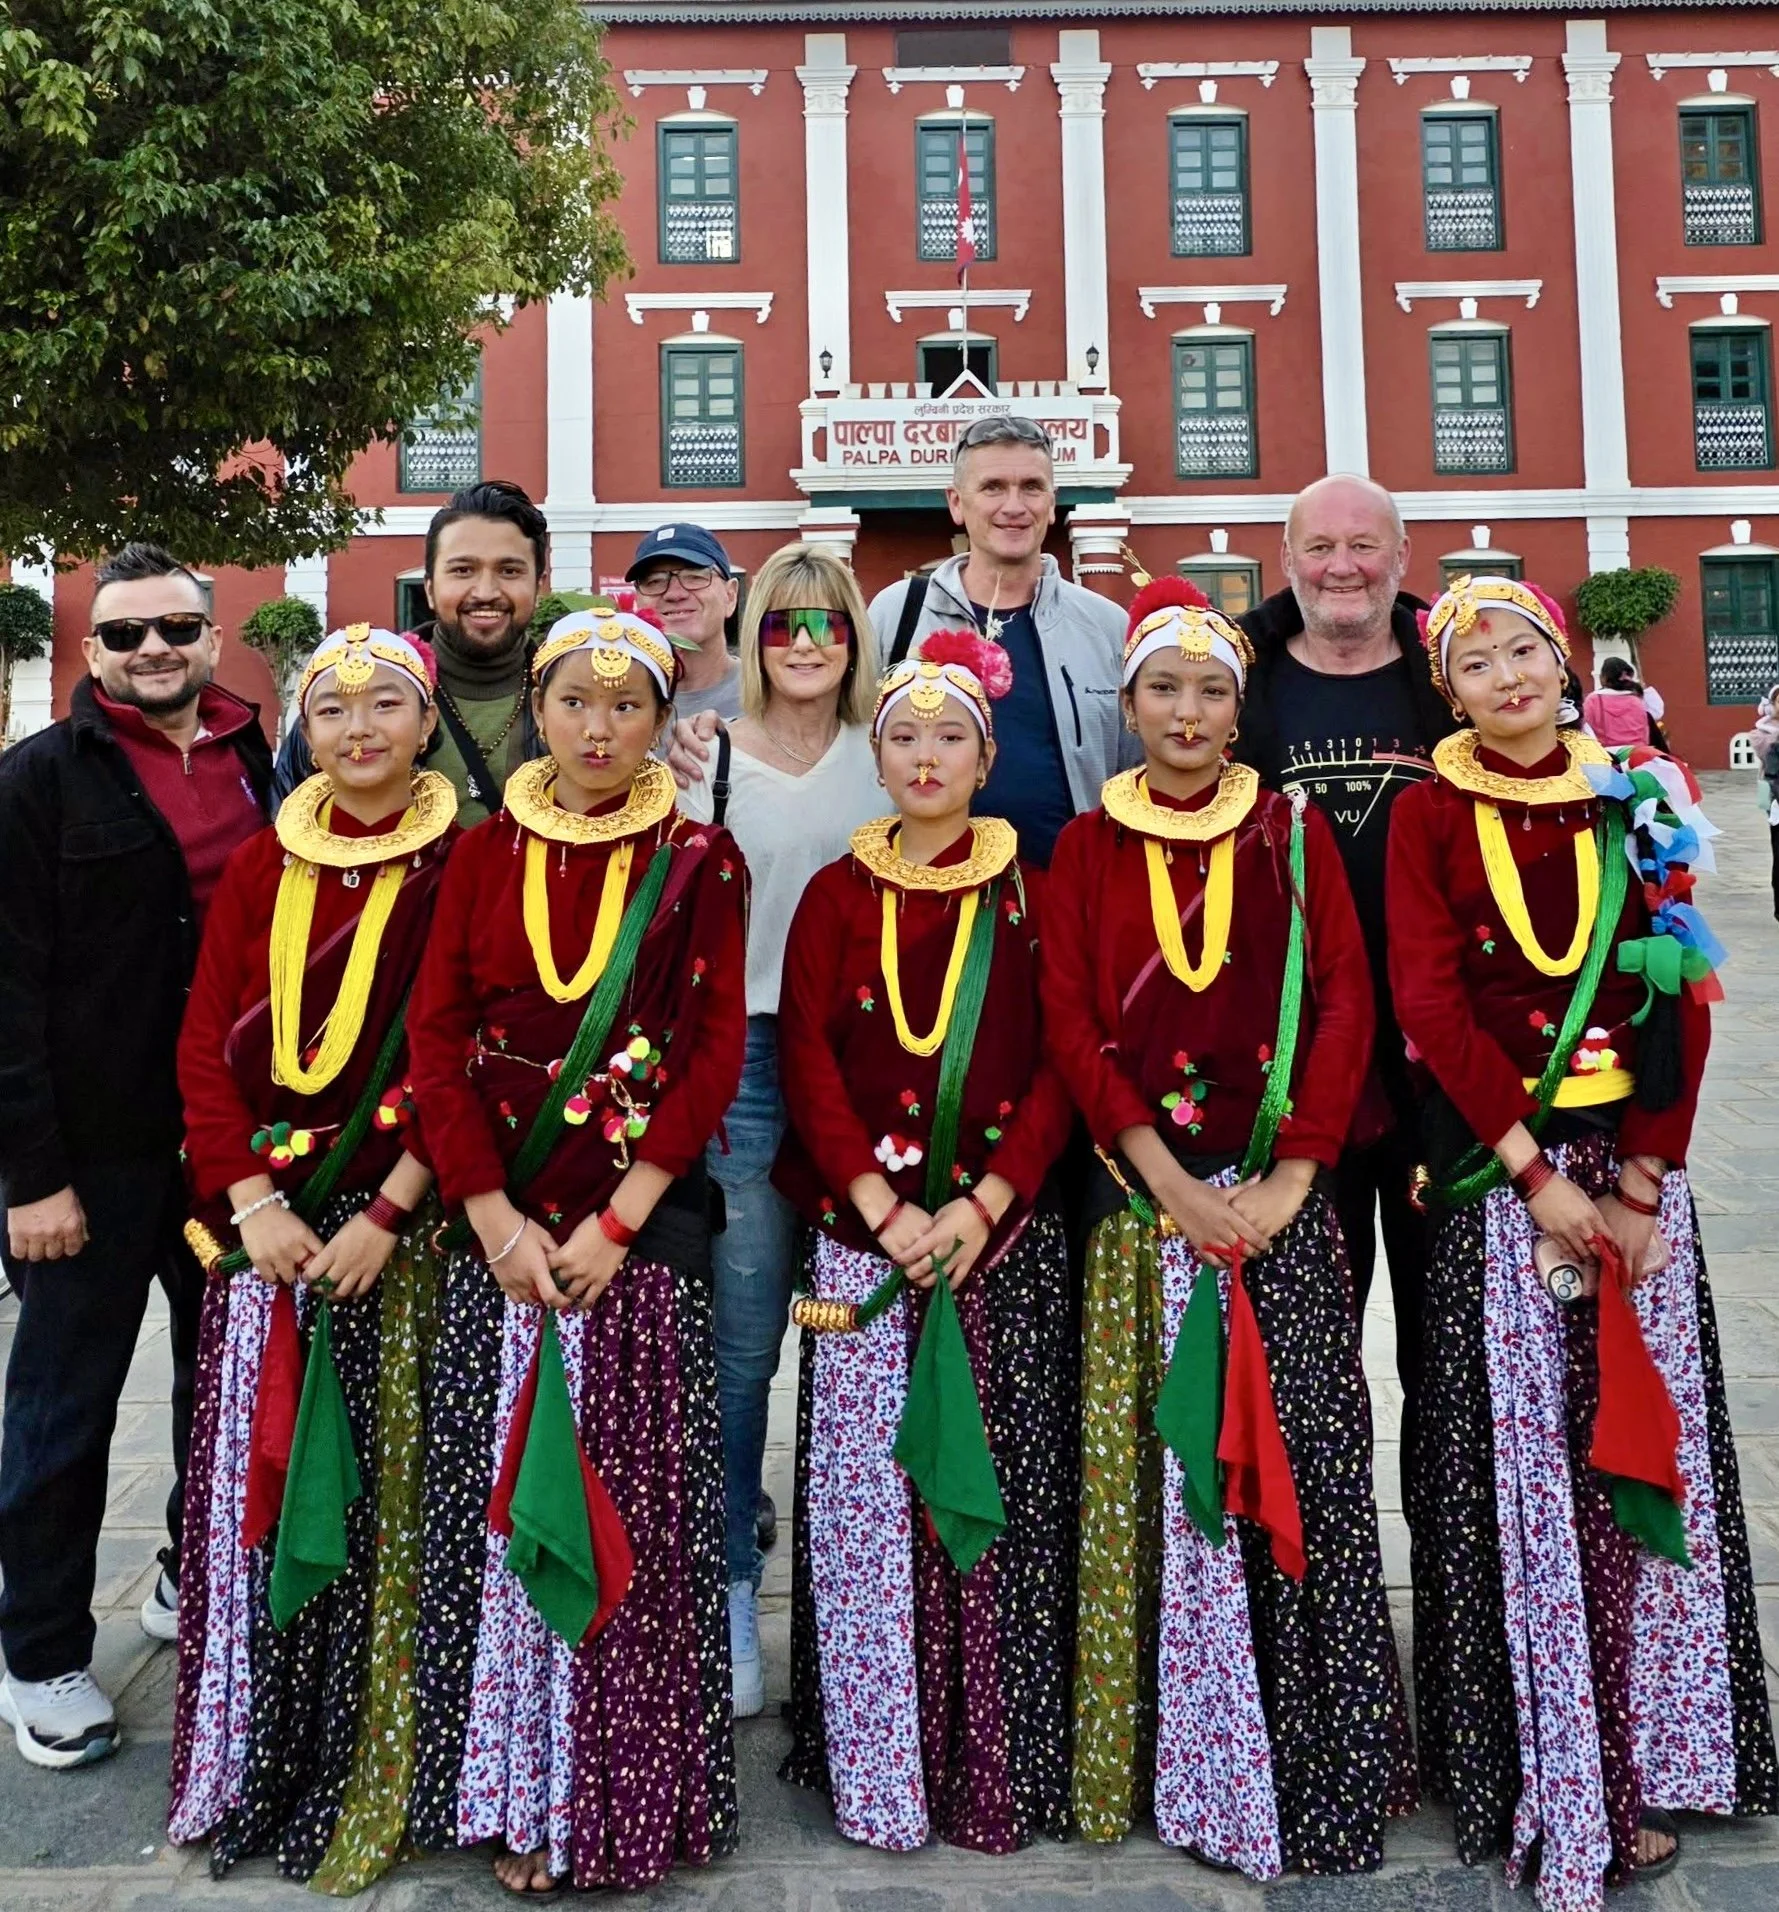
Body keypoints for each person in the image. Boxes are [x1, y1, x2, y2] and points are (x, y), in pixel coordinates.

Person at [1386, 576, 1778, 1898]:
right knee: (1521, 1492)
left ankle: (1651, 1746)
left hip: (1628, 1184)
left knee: (1639, 1467)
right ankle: (1547, 1767)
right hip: (1503, 1186)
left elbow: (1686, 990)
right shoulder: (1427, 816)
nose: (1503, 675)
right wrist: (1527, 1174)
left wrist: (1645, 1180)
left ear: (1562, 662)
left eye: (1522, 650)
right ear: (1443, 690)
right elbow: (1429, 1006)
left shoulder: (1638, 799)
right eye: (1472, 659)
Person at [1043, 580, 1416, 1873]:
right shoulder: (1088, 848)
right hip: (1140, 1214)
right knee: (1153, 1478)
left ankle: (1318, 1745)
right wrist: (1164, 1180)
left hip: (1280, 1217)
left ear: (1237, 705)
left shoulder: (1291, 836)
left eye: (1209, 690)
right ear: (1128, 705)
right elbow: (1074, 1027)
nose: (1187, 713)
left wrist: (1288, 1183)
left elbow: (1341, 1013)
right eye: (1162, 690)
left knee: (1299, 1466)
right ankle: (1161, 1749)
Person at [407, 602, 747, 1895]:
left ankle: (626, 1795)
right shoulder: (481, 856)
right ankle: (511, 1784)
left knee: (631, 1530)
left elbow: (710, 1052)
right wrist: (489, 1213)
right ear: (534, 710)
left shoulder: (700, 860)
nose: (596, 729)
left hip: (631, 1249)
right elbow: (437, 1041)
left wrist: (618, 1220)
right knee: (501, 1529)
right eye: (572, 702)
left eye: (626, 706)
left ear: (664, 720)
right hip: (496, 1241)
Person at [775, 631, 1076, 1852]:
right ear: (877, 754)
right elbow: (805, 1058)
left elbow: (1065, 1058)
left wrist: (990, 1198)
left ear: (987, 753)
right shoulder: (836, 894)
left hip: (996, 1245)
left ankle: (988, 1750)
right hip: (866, 1244)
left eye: (951, 734)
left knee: (991, 1501)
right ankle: (877, 1753)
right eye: (904, 735)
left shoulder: (1031, 889)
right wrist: (882, 1206)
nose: (927, 755)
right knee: (865, 1511)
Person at [167, 626, 457, 1886]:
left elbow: (468, 1058)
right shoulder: (260, 870)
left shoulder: (471, 865)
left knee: (404, 1509)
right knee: (267, 1499)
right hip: (271, 1247)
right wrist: (250, 1203)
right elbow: (199, 1054)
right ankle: (263, 1744)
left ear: (429, 723)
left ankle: (395, 1749)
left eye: (386, 703)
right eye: (331, 708)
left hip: (408, 1240)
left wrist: (389, 1209)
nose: (359, 729)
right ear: (301, 732)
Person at [0, 544, 272, 1769]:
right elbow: (5, 994)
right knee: (66, 1408)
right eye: (124, 635)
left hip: (230, 1151)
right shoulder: (36, 783)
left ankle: (185, 1569)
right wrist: (30, 1177)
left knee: (224, 1389)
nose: (152, 650)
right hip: (92, 1159)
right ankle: (44, 1651)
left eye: (174, 628)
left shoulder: (267, 761)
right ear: (91, 652)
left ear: (213, 639)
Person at [674, 543, 883, 1719]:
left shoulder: (890, 749)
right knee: (747, 1340)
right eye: (785, 623)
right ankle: (729, 1593)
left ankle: (858, 1609)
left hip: (865, 1065)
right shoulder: (705, 760)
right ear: (754, 635)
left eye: (830, 625)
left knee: (858, 1343)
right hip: (749, 1061)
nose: (806, 643)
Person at [1234, 474, 1452, 1491]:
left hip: (1442, 1077)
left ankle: (1459, 1609)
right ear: (1289, 561)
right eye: (1320, 547)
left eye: (1365, 546)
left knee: (1448, 1355)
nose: (1342, 567)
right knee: (1306, 1363)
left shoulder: (1452, 677)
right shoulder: (1246, 683)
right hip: (1297, 1076)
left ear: (1402, 557)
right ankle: (1325, 1617)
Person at [275, 480, 549, 824]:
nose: (485, 591)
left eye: (509, 571)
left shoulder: (572, 701)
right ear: (430, 589)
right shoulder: (343, 701)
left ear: (538, 587)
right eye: (462, 570)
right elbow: (289, 831)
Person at [627, 522, 743, 726]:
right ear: (638, 601)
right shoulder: (616, 697)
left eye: (695, 577)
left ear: (730, 595)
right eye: (655, 582)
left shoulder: (770, 693)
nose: (675, 594)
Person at [1583, 655, 1662, 749]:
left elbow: (1585, 729)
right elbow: (1657, 713)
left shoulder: (1594, 700)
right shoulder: (1638, 699)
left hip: (1607, 757)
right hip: (1639, 754)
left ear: (1603, 678)